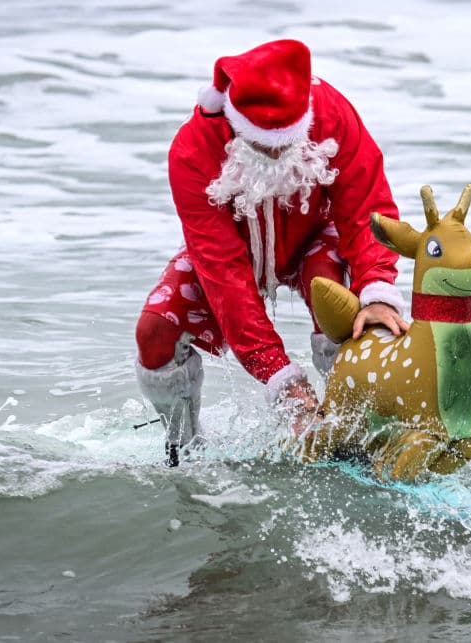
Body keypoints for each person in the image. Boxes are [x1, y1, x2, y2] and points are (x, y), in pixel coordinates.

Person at [134, 39, 410, 466]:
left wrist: (377, 291)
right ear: (235, 122)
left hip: (315, 234)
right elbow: (223, 271)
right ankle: (184, 451)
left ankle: (361, 436)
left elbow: (367, 207)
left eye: (287, 142)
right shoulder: (192, 149)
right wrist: (281, 379)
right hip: (234, 253)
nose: (278, 153)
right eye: (264, 146)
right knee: (154, 330)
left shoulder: (332, 113)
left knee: (339, 301)